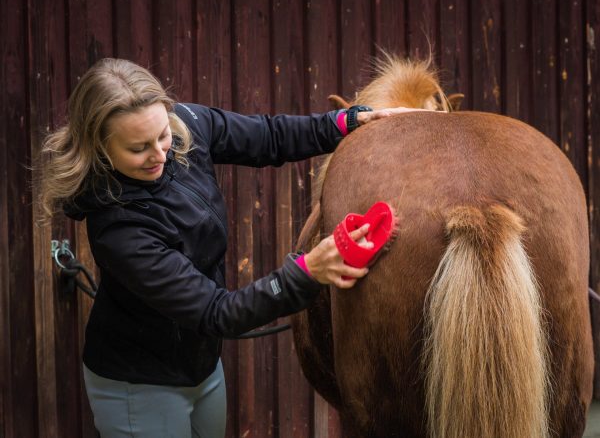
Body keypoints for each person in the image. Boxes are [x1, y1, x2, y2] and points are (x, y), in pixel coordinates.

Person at [37, 58, 417, 437]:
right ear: (100, 148)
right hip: (141, 387)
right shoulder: (119, 230)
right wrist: (307, 272)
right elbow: (217, 311)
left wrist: (345, 123)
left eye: (161, 134)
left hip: (202, 367)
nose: (160, 153)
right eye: (138, 148)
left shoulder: (185, 125)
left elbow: (268, 137)